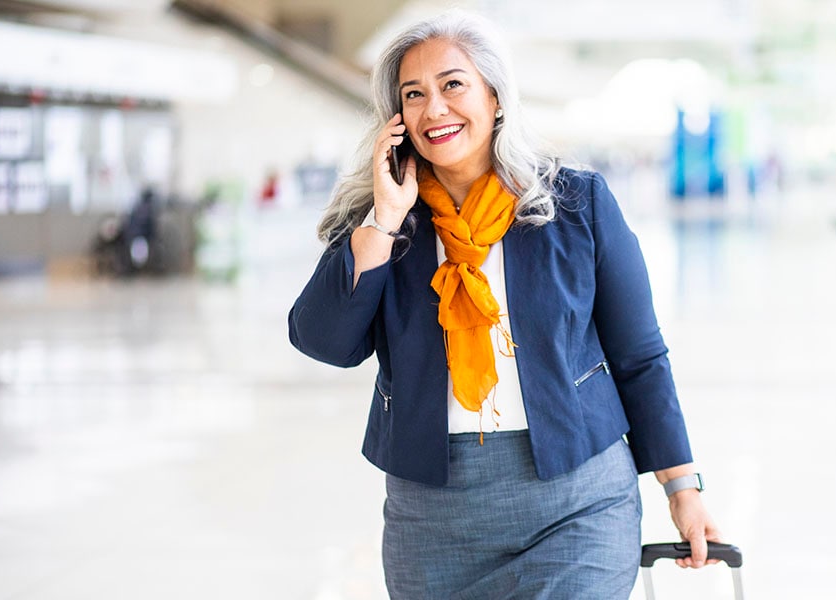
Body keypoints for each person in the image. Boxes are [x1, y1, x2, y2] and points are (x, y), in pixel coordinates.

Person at [288, 11, 721, 598]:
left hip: (578, 501)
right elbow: (325, 343)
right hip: (432, 519)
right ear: (397, 118)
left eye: (453, 85)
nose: (434, 108)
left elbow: (639, 355)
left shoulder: (576, 205)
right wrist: (384, 218)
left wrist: (683, 489)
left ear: (495, 98)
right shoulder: (385, 222)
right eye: (413, 95)